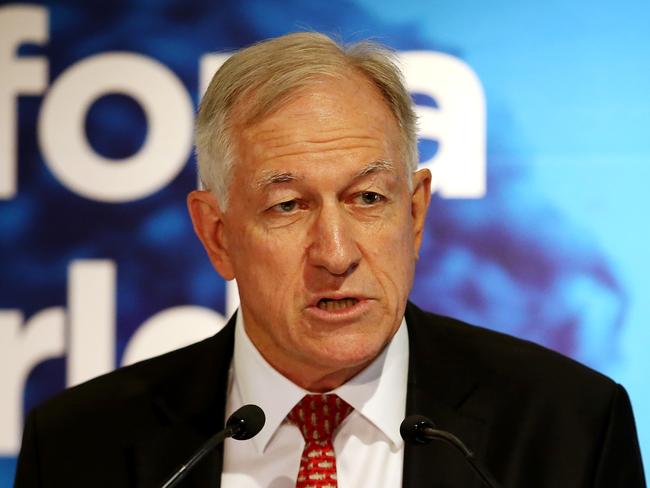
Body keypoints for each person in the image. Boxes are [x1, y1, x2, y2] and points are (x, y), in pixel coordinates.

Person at [15, 32, 645, 488]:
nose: (337, 254)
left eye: (368, 198)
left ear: (416, 214)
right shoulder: (79, 449)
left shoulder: (568, 432)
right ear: (217, 236)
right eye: (287, 206)